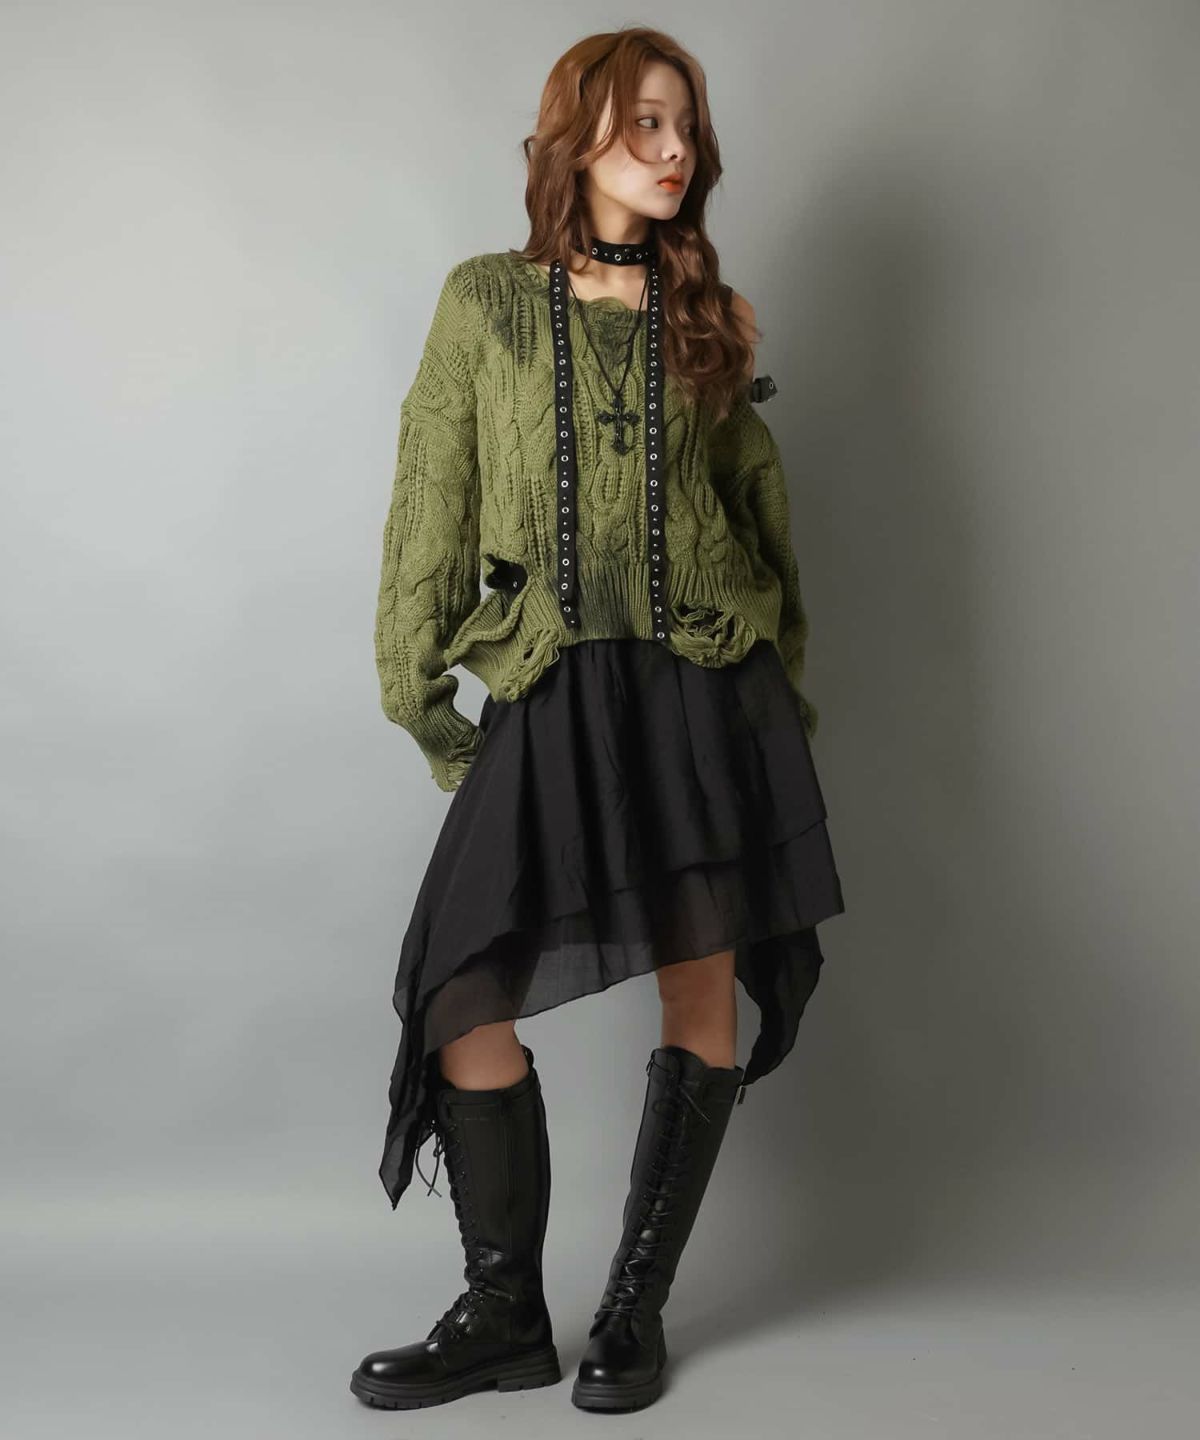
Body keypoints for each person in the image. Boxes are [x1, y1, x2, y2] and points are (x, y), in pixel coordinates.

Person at [349, 25, 845, 1415]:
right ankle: (504, 1314)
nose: (675, 150)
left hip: (701, 685)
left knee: (701, 983)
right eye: (645, 124)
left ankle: (634, 1310)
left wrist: (775, 693)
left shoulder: (708, 317)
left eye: (686, 126)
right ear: (576, 139)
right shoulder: (486, 305)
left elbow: (758, 515)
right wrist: (420, 694)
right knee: (458, 987)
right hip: (554, 684)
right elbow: (431, 502)